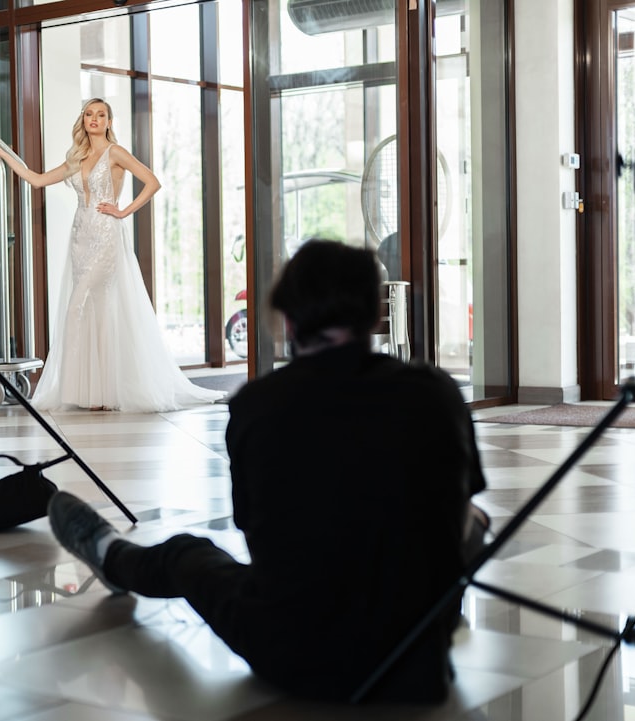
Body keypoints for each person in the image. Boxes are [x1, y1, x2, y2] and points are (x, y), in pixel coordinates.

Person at [46, 239, 489, 704]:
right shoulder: (436, 392)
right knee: (472, 520)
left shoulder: (258, 404)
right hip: (416, 666)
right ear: (371, 315)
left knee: (187, 554)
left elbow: (257, 529)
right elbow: (459, 507)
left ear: (289, 318)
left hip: (294, 653)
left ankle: (110, 554)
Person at [0, 98, 222, 412]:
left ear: (109, 121)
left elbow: (153, 182)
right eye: (89, 114)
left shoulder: (115, 153)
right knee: (96, 311)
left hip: (106, 237)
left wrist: (123, 211)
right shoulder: (77, 158)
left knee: (78, 306)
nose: (94, 119)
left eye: (101, 115)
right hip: (80, 237)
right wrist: (2, 153)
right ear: (83, 121)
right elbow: (36, 179)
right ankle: (97, 394)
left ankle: (101, 392)